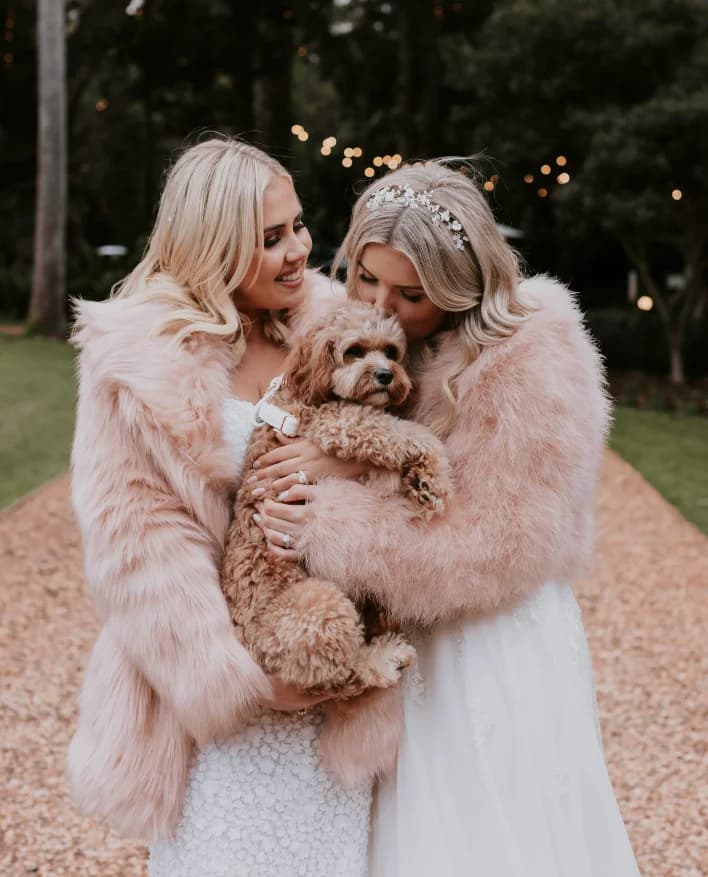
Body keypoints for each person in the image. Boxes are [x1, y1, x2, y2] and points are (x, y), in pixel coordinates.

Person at [252, 161, 642, 876]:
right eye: (367, 278)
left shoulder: (529, 358)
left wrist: (326, 512)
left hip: (487, 644)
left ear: (462, 285)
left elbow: (499, 546)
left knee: (484, 835)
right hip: (410, 636)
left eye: (411, 293)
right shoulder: (372, 333)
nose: (382, 305)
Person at [67, 136, 372, 877]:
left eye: (298, 225)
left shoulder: (336, 332)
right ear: (213, 243)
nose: (299, 249)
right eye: (270, 238)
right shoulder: (138, 364)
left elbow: (393, 459)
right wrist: (243, 684)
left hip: (331, 688)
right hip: (221, 714)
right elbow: (138, 553)